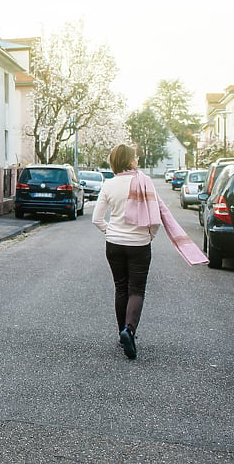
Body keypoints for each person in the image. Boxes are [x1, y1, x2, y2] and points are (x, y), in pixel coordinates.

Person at [91, 144, 157, 359]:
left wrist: (111, 232)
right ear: (129, 161)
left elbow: (97, 219)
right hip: (139, 244)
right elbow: (155, 219)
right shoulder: (145, 182)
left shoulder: (109, 185)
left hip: (114, 244)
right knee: (136, 290)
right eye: (135, 157)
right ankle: (129, 330)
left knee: (121, 288)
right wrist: (149, 236)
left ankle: (122, 335)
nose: (137, 159)